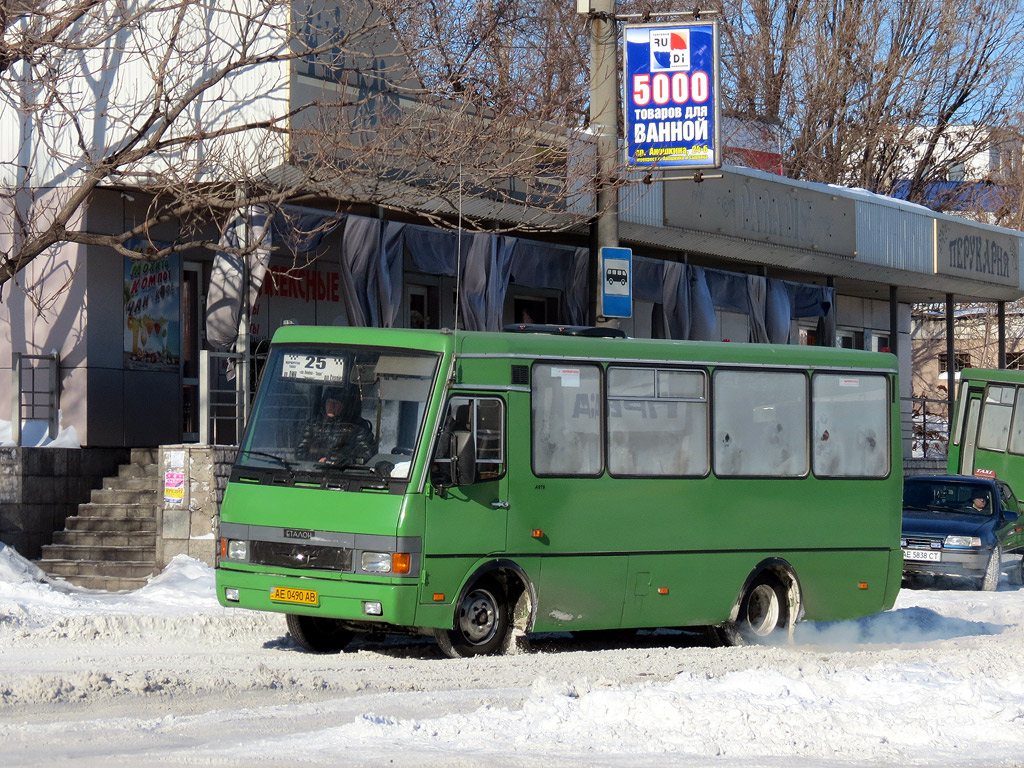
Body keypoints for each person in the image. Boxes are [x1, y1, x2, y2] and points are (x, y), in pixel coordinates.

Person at [296, 389, 375, 467]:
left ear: (345, 406)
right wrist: (319, 461)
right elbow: (300, 453)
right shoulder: (313, 424)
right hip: (312, 472)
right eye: (329, 402)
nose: (331, 406)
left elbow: (367, 454)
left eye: (335, 403)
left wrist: (347, 460)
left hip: (344, 474)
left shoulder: (358, 426)